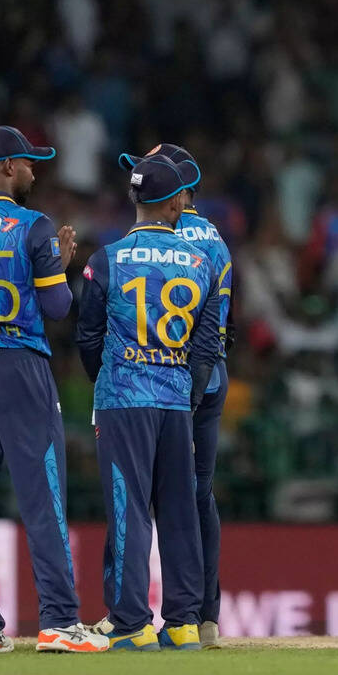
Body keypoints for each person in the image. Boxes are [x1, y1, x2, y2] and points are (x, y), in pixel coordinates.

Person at [0, 125, 108, 653]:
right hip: (16, 360)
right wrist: (57, 266)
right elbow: (57, 307)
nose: (34, 170)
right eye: (29, 162)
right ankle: (58, 620)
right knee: (42, 493)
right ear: (8, 167)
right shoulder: (33, 225)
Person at [75, 153, 220, 651]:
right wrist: (189, 396)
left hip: (123, 398)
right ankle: (183, 623)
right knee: (180, 511)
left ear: (134, 197)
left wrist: (107, 380)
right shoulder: (202, 262)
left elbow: (87, 336)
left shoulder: (105, 259)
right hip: (176, 401)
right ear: (176, 204)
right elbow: (206, 347)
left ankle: (131, 622)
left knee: (129, 508)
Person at [119, 143, 233, 648]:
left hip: (162, 378)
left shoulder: (158, 236)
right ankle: (202, 616)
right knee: (197, 494)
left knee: (148, 496)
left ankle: (138, 616)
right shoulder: (215, 237)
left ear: (178, 190)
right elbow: (222, 322)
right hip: (209, 374)